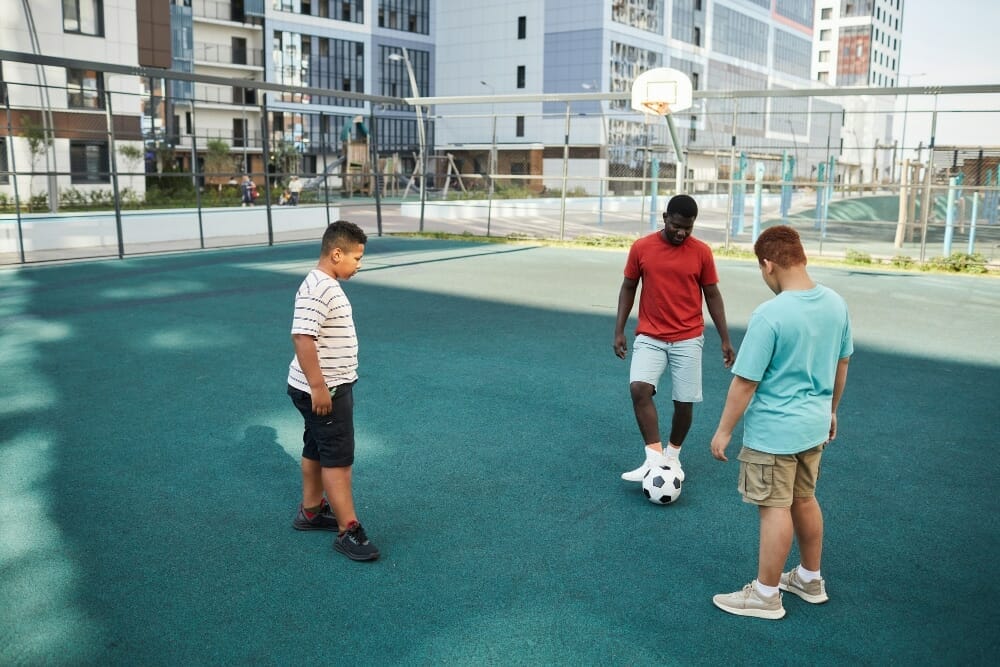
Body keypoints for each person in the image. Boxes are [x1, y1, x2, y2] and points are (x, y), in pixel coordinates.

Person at [709, 225, 852, 619]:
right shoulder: (836, 304)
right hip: (813, 427)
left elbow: (745, 381)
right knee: (804, 499)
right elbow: (842, 363)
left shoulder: (770, 314)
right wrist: (832, 410)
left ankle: (766, 595)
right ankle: (809, 578)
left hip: (774, 432)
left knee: (774, 508)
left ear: (768, 264)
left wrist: (723, 430)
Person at [613, 194, 735, 485]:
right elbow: (629, 286)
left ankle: (672, 456)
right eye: (677, 225)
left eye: (688, 228)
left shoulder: (701, 252)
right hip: (650, 335)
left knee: (684, 402)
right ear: (665, 217)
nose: (682, 232)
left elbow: (713, 294)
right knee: (639, 389)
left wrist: (725, 338)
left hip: (688, 337)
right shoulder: (642, 247)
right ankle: (654, 460)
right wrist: (619, 330)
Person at [287, 220, 379, 562]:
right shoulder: (318, 288)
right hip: (326, 392)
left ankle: (311, 511)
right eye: (356, 258)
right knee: (338, 460)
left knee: (316, 448)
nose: (359, 265)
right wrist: (319, 387)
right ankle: (348, 529)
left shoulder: (324, 284)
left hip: (322, 388)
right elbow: (302, 337)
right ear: (336, 253)